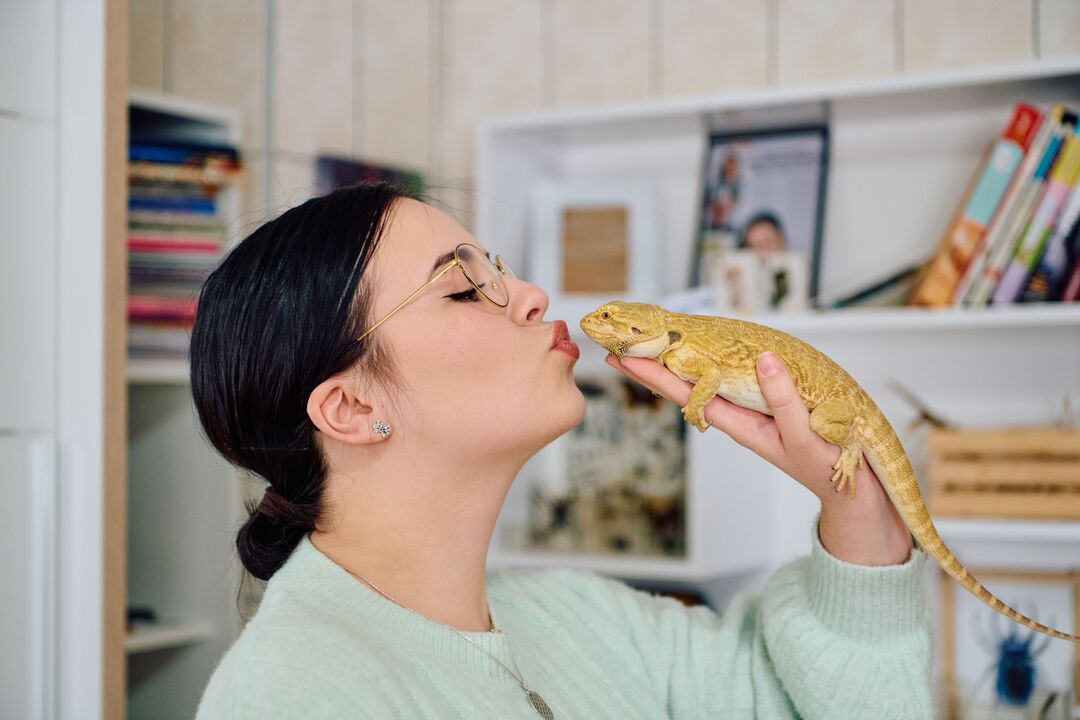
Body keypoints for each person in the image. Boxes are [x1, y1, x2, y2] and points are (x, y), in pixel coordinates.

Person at [190, 181, 932, 719]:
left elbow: (805, 699)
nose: (533, 293)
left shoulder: (582, 619)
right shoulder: (291, 695)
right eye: (462, 286)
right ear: (351, 406)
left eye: (498, 267)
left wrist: (857, 505)